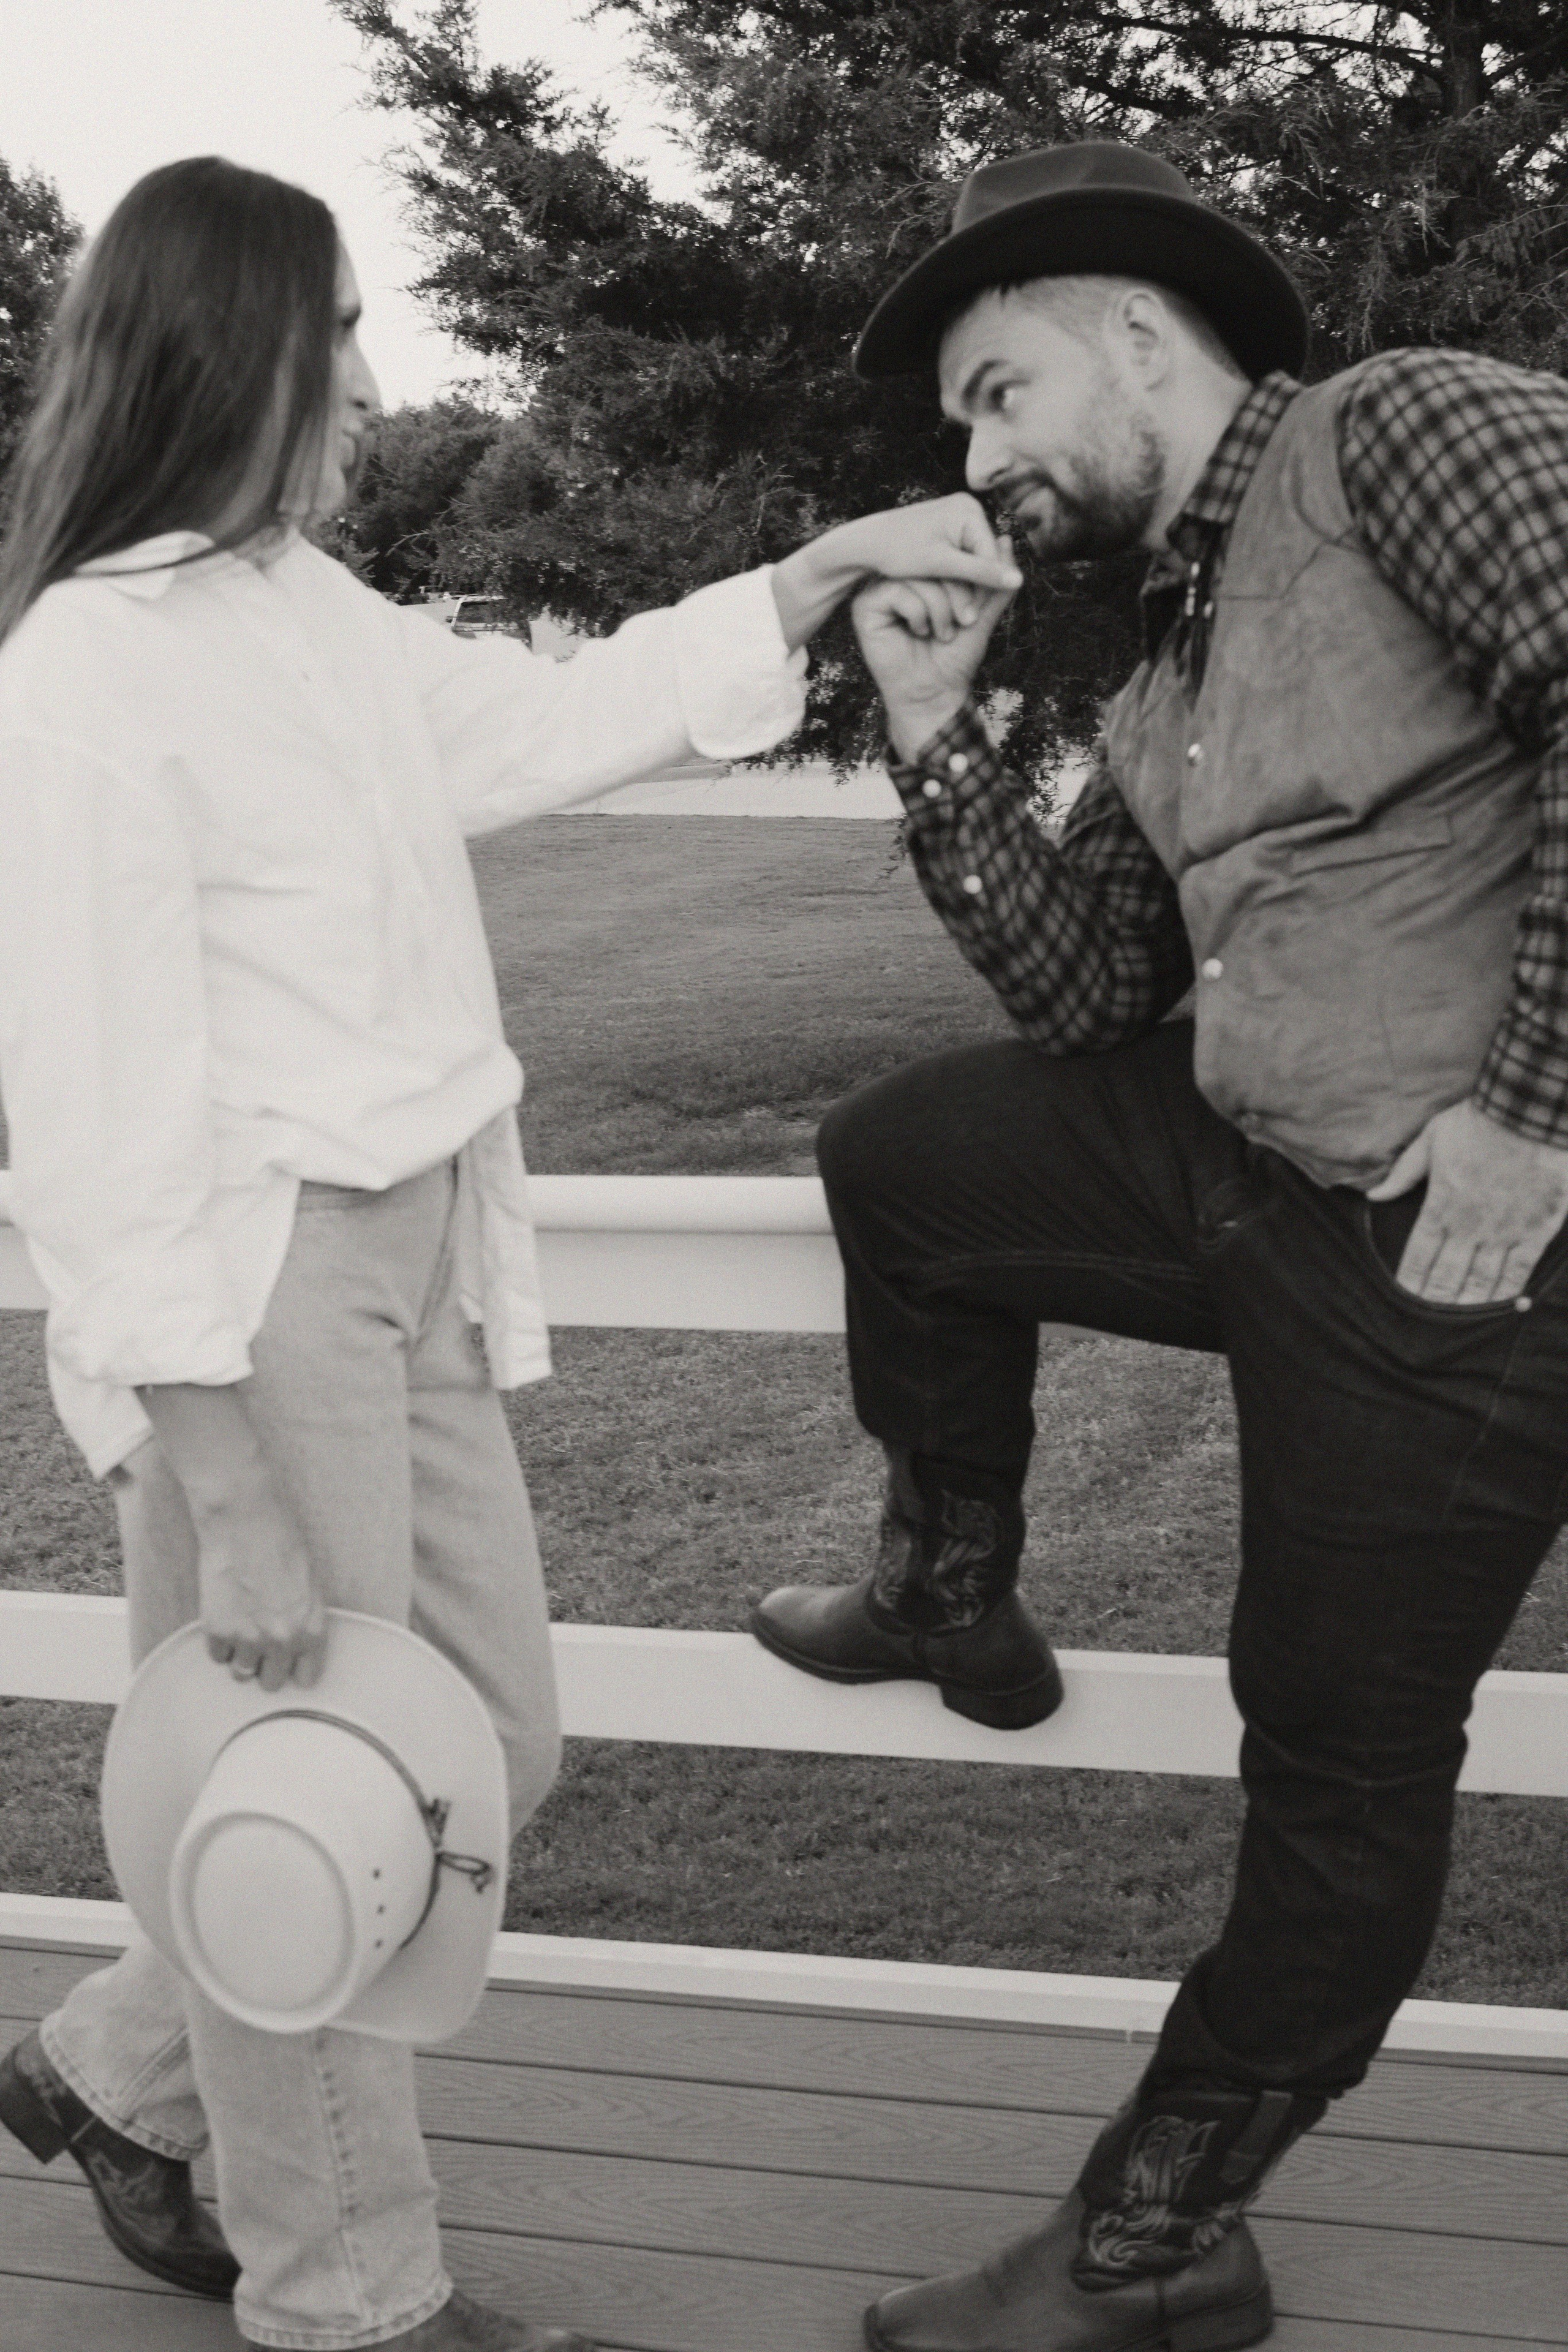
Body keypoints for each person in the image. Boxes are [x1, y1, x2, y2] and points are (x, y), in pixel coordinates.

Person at [0, 156, 1020, 2352]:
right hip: (260, 1298)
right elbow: (83, 1119)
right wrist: (232, 1477)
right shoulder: (87, 668)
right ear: (229, 352)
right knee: (321, 1789)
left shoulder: (310, 615)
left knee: (489, 1744)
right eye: (338, 334)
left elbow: (541, 724)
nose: (368, 380)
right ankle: (349, 2296)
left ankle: (112, 2068)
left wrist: (822, 568)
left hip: (425, 1249)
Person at [748, 141, 1568, 2351]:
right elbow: (1093, 994)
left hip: (1454, 1267)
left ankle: (1159, 2239)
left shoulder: (1397, 427)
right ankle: (951, 1583)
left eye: (1001, 395)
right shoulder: (1163, 651)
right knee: (910, 1161)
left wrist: (1533, 1117)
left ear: (1137, 335)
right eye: (962, 436)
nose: (985, 460)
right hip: (1242, 1162)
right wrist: (936, 724)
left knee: (1332, 1757)